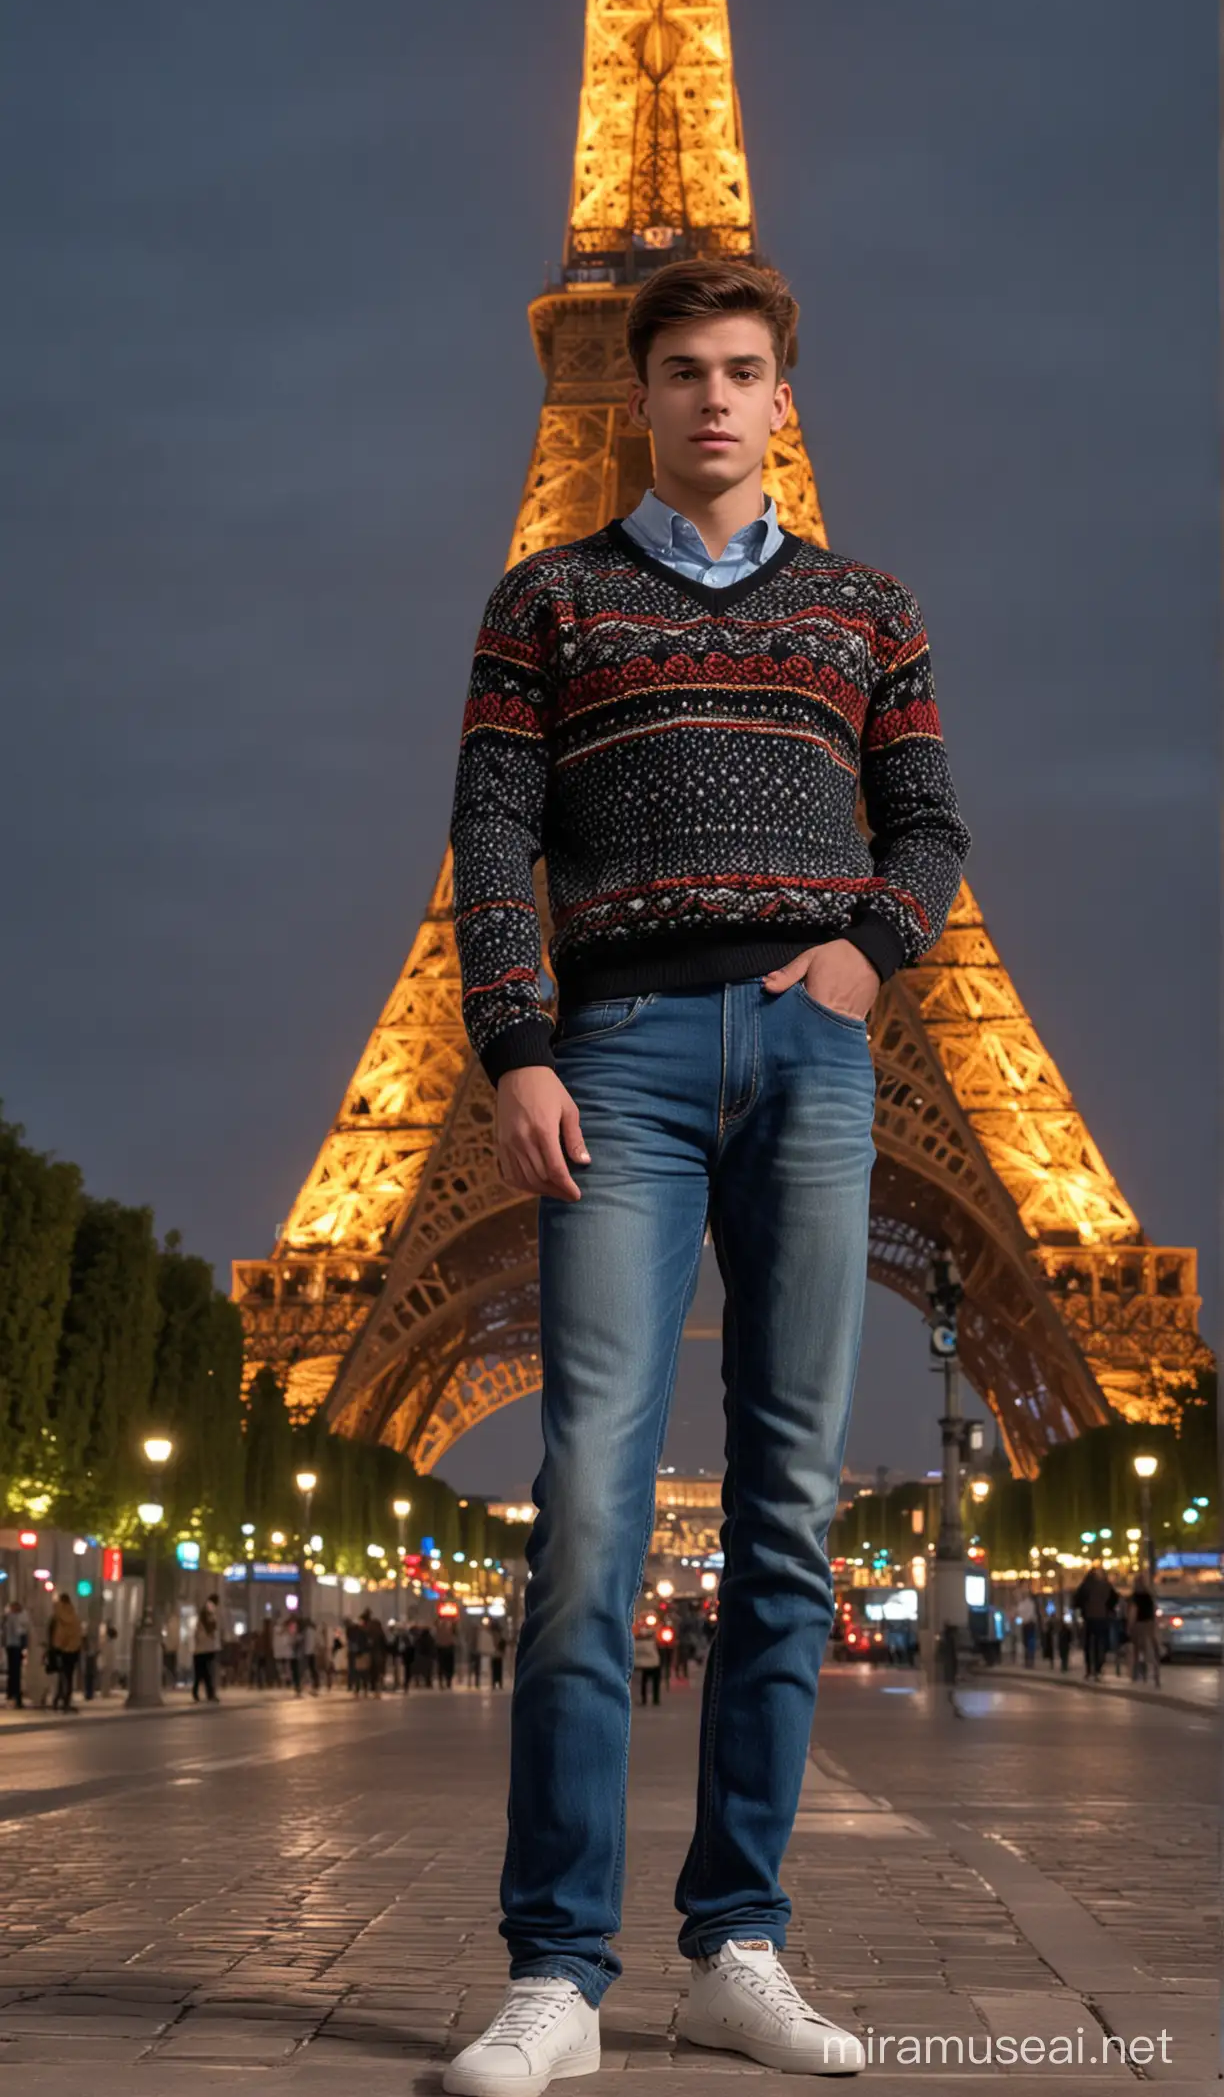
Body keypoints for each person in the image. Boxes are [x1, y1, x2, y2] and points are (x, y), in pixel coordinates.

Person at [443, 257, 970, 2094]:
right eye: (684, 372)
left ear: (776, 393)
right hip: (618, 1055)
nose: (716, 400)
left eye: (744, 372)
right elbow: (494, 831)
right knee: (589, 1503)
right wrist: (514, 1037)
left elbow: (923, 816)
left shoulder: (864, 606)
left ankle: (736, 1941)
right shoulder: (549, 597)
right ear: (637, 392)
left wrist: (860, 954)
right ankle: (555, 1969)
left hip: (812, 1050)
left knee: (783, 1512)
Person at [1072, 1562, 1119, 1679]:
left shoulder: (1086, 1585)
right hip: (1102, 1617)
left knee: (1088, 1645)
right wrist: (1109, 1609)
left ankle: (1089, 1669)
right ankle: (1098, 1667)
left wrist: (1082, 1609)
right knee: (1101, 1642)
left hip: (1089, 1618)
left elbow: (1077, 1600)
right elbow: (1115, 1598)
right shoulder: (1106, 1585)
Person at [49, 1593, 83, 1711]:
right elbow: (79, 1633)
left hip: (60, 1650)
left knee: (62, 1676)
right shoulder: (74, 1616)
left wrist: (54, 1647)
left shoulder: (57, 1616)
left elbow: (54, 1632)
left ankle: (59, 1700)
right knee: (68, 1677)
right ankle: (64, 1700)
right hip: (73, 1650)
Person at [1128, 1573, 1161, 1688]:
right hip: (1149, 1625)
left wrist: (1130, 1626)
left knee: (1137, 1650)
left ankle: (1137, 1674)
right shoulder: (1149, 1596)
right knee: (1150, 1650)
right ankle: (1155, 1674)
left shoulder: (1135, 1597)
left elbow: (1133, 1612)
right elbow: (1154, 1612)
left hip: (1139, 1625)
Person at [192, 1594, 222, 1703]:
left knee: (201, 1674)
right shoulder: (209, 1608)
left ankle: (199, 1693)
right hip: (206, 1648)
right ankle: (209, 1694)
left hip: (202, 1649)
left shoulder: (205, 1610)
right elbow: (210, 1626)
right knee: (207, 1673)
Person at [3, 1600, 29, 1708]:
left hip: (10, 1646)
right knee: (16, 1672)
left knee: (12, 1672)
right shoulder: (15, 1618)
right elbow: (20, 1631)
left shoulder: (8, 1618)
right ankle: (16, 1696)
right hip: (15, 1646)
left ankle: (11, 1695)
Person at [633, 1624, 662, 1707]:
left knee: (644, 1682)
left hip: (643, 1665)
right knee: (655, 1682)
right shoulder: (652, 1642)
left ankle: (644, 1699)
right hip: (654, 1664)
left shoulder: (637, 1643)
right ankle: (656, 1699)